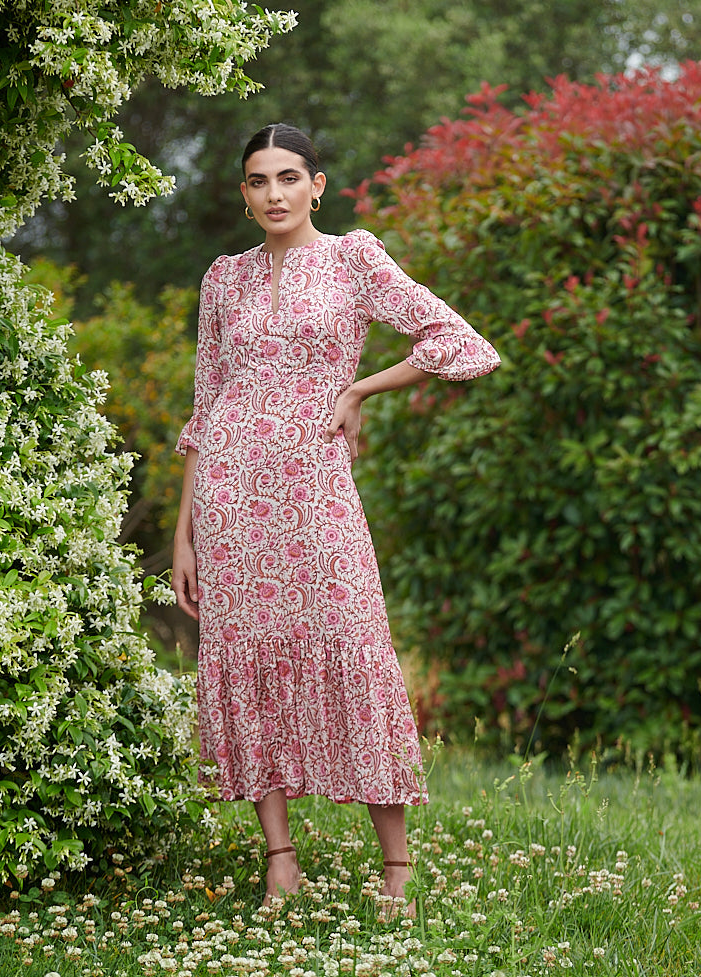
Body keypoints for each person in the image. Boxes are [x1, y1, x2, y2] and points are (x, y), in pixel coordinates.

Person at [171, 123, 501, 912]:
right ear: (244, 194)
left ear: (318, 184)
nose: (274, 194)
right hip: (228, 496)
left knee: (354, 646)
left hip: (315, 490)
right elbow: (205, 405)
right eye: (258, 181)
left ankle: (398, 871)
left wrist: (358, 390)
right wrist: (181, 534)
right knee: (247, 656)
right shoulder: (224, 279)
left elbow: (457, 342)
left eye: (289, 177)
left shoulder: (353, 259)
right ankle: (279, 858)